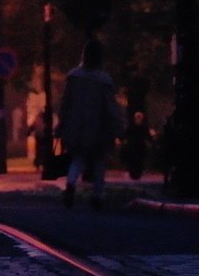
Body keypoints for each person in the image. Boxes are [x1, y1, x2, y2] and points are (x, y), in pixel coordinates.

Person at [56, 39, 123, 209]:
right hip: (99, 128)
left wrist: (61, 124)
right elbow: (110, 106)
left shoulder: (74, 77)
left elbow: (66, 103)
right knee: (99, 162)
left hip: (76, 127)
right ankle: (97, 196)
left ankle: (71, 184)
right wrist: (118, 126)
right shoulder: (104, 80)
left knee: (77, 159)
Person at [120, 108, 153, 181]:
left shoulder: (144, 127)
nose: (138, 119)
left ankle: (137, 173)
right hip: (132, 146)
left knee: (139, 161)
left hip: (140, 147)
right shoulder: (131, 127)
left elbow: (148, 136)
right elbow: (125, 135)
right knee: (132, 160)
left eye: (139, 117)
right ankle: (132, 172)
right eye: (137, 117)